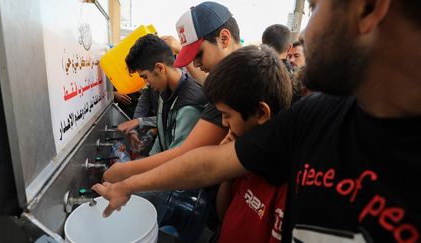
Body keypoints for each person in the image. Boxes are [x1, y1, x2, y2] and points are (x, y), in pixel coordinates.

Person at [93, 0, 421, 242]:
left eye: (316, 6)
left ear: (369, 8)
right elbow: (210, 164)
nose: (303, 33)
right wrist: (127, 185)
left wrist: (126, 176)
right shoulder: (316, 116)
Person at [103, 1, 242, 182]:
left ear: (224, 38)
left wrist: (127, 175)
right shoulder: (225, 84)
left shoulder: (234, 87)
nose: (196, 64)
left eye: (198, 54)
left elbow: (185, 155)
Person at [203, 45, 292, 242]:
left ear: (261, 113)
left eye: (227, 115)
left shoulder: (285, 183)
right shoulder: (243, 152)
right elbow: (223, 214)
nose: (224, 123)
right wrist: (227, 170)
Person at [124, 34, 206, 155]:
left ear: (160, 68)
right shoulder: (165, 93)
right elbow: (162, 136)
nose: (146, 83)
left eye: (145, 77)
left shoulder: (188, 106)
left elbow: (177, 159)